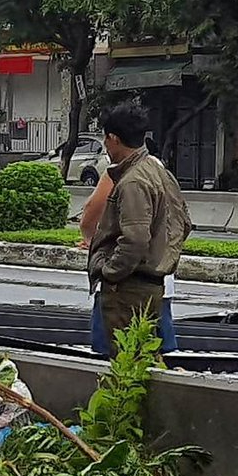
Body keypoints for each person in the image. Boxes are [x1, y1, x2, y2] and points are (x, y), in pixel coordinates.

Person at [85, 99, 191, 340]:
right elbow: (183, 223)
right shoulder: (158, 171)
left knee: (127, 362)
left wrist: (109, 270)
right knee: (145, 360)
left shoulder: (133, 180)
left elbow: (135, 239)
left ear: (113, 138)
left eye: (105, 139)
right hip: (151, 284)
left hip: (129, 289)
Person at [80, 164, 179, 356]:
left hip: (120, 289)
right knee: (160, 360)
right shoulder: (161, 173)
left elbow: (89, 217)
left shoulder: (122, 172)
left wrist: (98, 247)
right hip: (159, 284)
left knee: (114, 360)